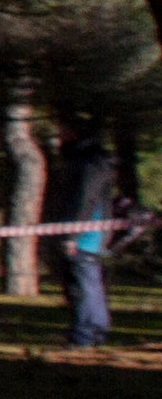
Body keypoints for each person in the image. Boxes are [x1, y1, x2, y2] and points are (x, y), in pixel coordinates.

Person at [63, 130, 120, 352]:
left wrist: (72, 236)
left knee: (84, 285)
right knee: (92, 283)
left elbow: (84, 200)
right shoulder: (100, 165)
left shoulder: (89, 166)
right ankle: (95, 330)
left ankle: (84, 334)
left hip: (86, 237)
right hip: (94, 235)